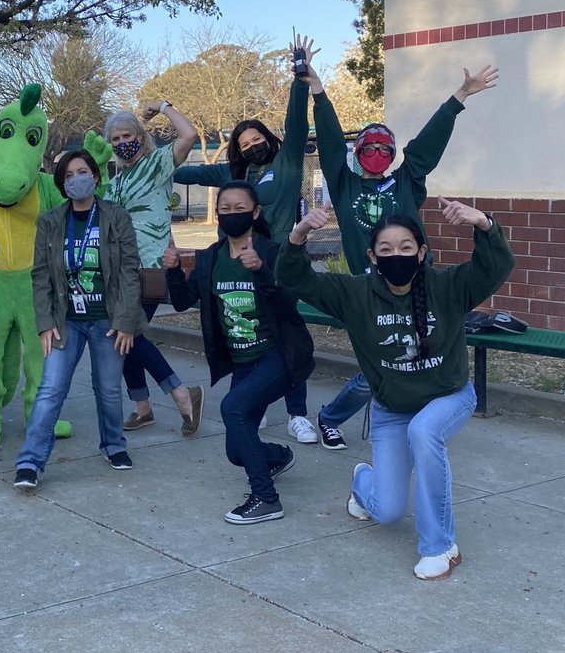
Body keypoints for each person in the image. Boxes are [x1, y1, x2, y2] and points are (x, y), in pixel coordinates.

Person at [278, 198, 513, 579]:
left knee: (425, 432)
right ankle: (362, 480)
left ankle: (440, 546)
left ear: (422, 252)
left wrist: (484, 224)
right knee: (386, 512)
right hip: (392, 409)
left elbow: (496, 266)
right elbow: (295, 280)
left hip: (448, 396)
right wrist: (298, 236)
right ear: (372, 255)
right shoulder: (355, 295)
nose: (396, 256)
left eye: (406, 247)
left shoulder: (447, 285)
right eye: (385, 249)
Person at [310, 63, 499, 451]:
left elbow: (427, 145)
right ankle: (331, 417)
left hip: (419, 288)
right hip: (372, 291)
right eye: (369, 147)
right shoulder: (344, 184)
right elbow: (330, 143)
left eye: (385, 148)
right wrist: (318, 91)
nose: (377, 153)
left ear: (393, 153)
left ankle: (420, 422)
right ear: (358, 153)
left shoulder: (407, 181)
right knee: (379, 367)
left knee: (422, 356)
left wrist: (459, 96)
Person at [174, 33, 322, 444]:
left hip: (283, 259)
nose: (253, 145)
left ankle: (297, 413)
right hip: (240, 261)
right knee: (246, 331)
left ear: (268, 141)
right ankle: (252, 406)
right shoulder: (233, 177)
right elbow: (183, 171)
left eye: (257, 139)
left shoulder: (287, 162)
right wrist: (151, 163)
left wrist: (298, 77)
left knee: (287, 331)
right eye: (244, 144)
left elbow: (297, 122)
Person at [163, 181, 315, 525]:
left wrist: (261, 271)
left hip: (278, 355)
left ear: (255, 212)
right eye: (225, 208)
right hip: (243, 363)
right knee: (236, 452)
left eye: (240, 208)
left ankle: (265, 498)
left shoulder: (273, 253)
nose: (232, 214)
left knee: (232, 408)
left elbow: (289, 304)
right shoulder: (210, 258)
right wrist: (173, 270)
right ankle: (276, 457)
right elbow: (183, 300)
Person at [14, 150, 145, 490]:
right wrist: (44, 322)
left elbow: (131, 270)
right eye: (68, 175)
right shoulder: (50, 221)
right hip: (64, 318)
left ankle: (114, 445)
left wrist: (127, 320)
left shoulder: (116, 216)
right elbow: (41, 275)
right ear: (62, 184)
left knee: (108, 389)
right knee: (50, 389)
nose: (76, 179)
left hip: (108, 319)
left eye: (82, 171)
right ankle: (30, 462)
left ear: (96, 177)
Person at [102, 103, 205, 437]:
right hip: (120, 272)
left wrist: (163, 107)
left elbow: (188, 134)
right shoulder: (116, 182)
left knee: (128, 332)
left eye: (127, 135)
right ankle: (142, 407)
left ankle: (181, 395)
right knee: (125, 337)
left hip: (149, 267)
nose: (121, 143)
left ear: (139, 136)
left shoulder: (157, 163)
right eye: (115, 138)